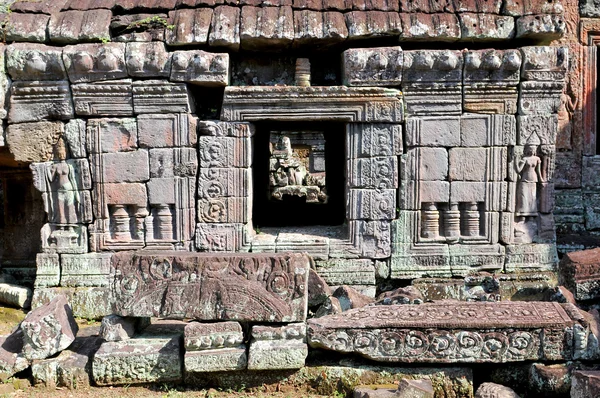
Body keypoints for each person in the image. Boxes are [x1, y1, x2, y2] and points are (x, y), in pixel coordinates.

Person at [46, 136, 80, 228]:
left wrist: (76, 193)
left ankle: (70, 226)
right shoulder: (55, 166)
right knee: (60, 208)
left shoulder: (69, 166)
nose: (62, 155)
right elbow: (51, 179)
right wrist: (49, 170)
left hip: (69, 188)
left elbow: (73, 179)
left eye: (63, 153)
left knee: (70, 207)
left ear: (66, 153)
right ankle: (61, 226)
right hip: (59, 190)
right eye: (60, 153)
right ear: (57, 154)